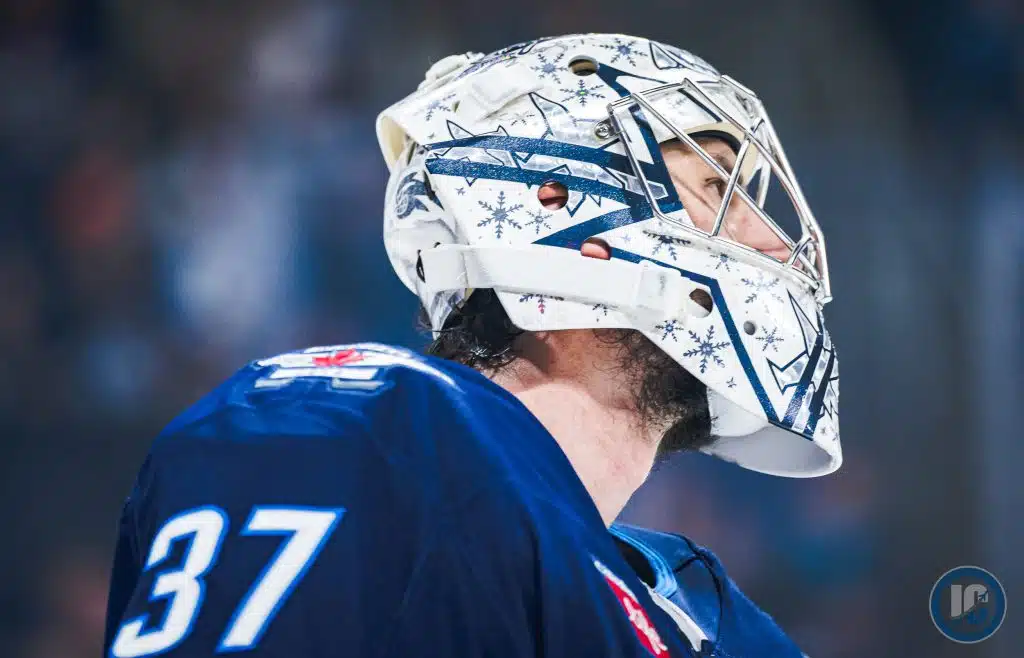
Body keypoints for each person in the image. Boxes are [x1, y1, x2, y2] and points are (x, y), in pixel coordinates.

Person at [104, 34, 840, 657]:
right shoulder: (360, 427)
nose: (770, 242)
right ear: (556, 205)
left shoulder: (698, 609)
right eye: (714, 191)